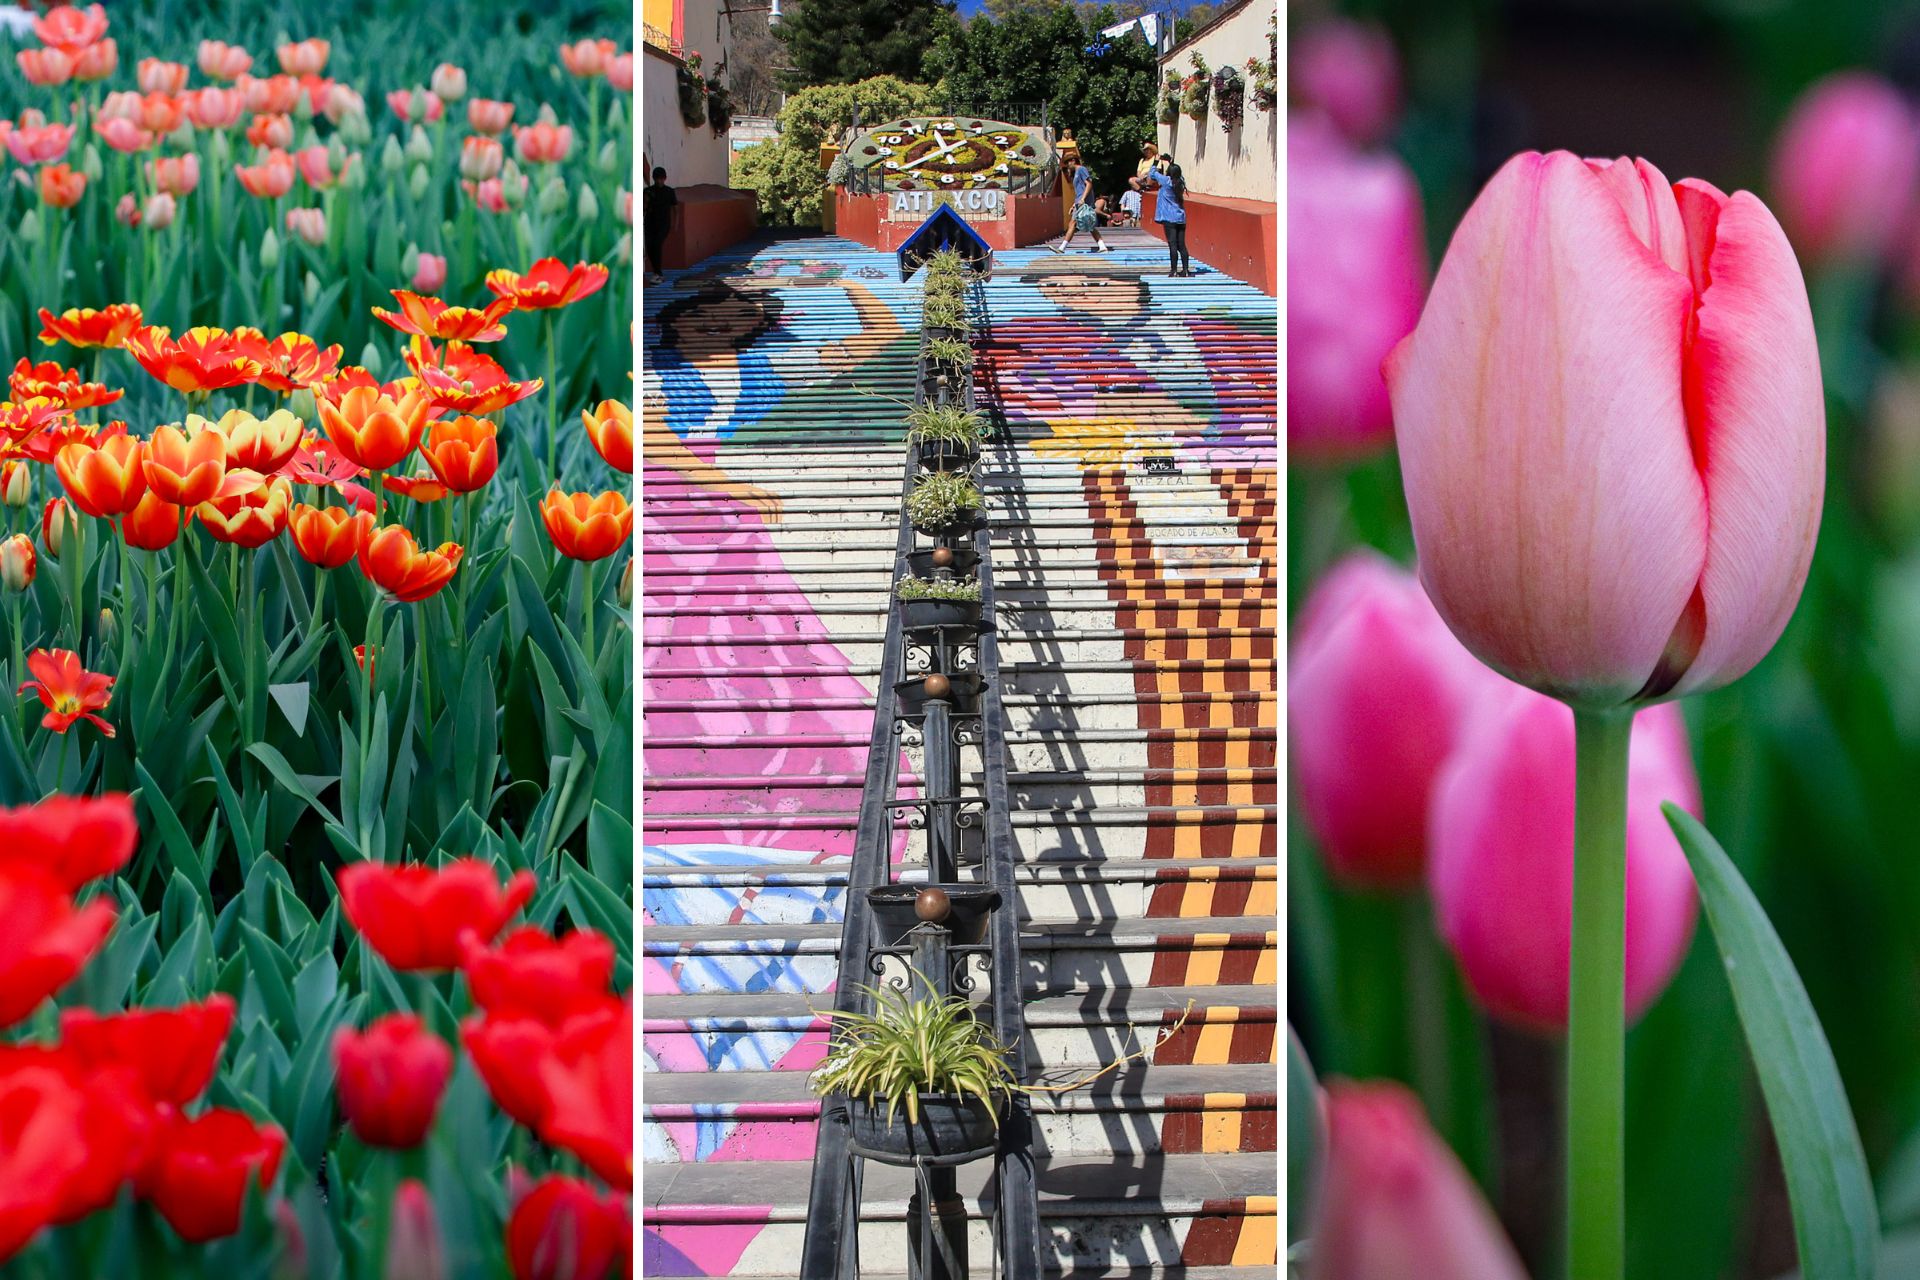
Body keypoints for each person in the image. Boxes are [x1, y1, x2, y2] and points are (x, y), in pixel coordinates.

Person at [1051, 157, 1110, 254]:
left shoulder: (1081, 169)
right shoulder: (1077, 174)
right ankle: (1102, 246)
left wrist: (1083, 199)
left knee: (1073, 223)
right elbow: (1079, 191)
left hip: (1084, 202)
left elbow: (1089, 184)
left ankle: (1062, 248)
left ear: (1073, 161)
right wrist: (1074, 204)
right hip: (1080, 202)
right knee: (1089, 225)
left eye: (1068, 163)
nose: (1068, 166)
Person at [1151, 157, 1191, 277]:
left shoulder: (1166, 181)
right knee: (1182, 245)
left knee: (1172, 244)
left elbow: (1152, 174)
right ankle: (1186, 270)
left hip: (1169, 217)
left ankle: (1173, 270)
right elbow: (1176, 172)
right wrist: (1171, 162)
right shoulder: (1181, 181)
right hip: (1180, 217)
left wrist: (1156, 161)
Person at [643, 165, 677, 285]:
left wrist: (675, 223)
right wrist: (645, 202)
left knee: (657, 244)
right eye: (657, 178)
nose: (659, 181)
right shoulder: (647, 191)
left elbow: (674, 208)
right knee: (650, 247)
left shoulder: (669, 191)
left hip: (664, 224)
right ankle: (656, 272)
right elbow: (643, 208)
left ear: (665, 178)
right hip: (649, 224)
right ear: (653, 178)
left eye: (661, 178)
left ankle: (658, 274)